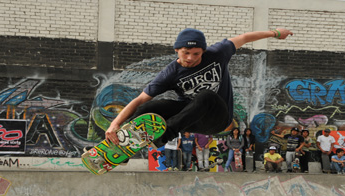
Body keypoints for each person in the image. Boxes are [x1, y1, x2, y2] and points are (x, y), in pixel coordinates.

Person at [104, 28, 293, 150]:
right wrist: (115, 124)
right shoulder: (170, 73)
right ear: (177, 50)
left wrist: (275, 33)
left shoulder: (218, 53)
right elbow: (139, 100)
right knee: (148, 107)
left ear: (203, 51)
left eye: (196, 54)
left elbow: (244, 38)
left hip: (218, 119)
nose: (191, 58)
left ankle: (165, 135)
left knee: (206, 96)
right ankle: (119, 146)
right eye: (186, 53)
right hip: (190, 118)